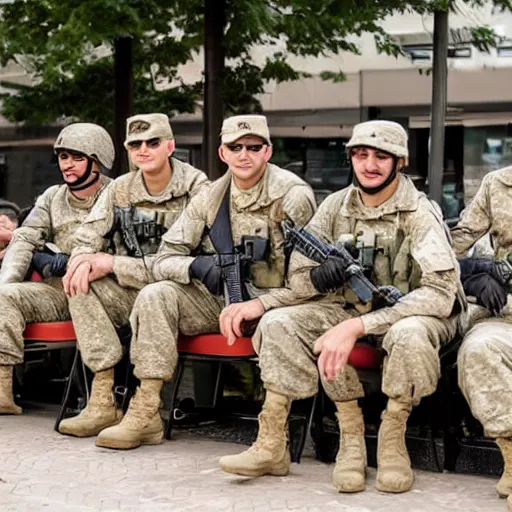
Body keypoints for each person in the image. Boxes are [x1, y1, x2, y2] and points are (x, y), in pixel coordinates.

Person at [219, 120, 465, 494]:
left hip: (417, 313)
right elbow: (299, 279)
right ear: (351, 158)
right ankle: (312, 437)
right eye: (361, 155)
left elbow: (440, 293)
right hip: (351, 308)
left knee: (409, 333)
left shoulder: (418, 211)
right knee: (280, 323)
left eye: (382, 156)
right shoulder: (334, 207)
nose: (370, 164)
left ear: (400, 162)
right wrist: (318, 278)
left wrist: (356, 328)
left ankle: (391, 436)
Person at [93, 114, 317, 450]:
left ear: (267, 151)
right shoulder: (211, 197)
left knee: (280, 321)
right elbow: (165, 258)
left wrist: (259, 304)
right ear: (222, 153)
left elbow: (309, 285)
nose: (244, 154)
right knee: (157, 294)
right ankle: (147, 409)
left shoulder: (292, 195)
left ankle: (273, 436)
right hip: (225, 299)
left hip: (277, 304)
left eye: (253, 147)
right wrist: (197, 267)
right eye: (234, 147)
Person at [57, 113, 208, 439]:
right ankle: (102, 400)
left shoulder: (198, 188)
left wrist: (112, 263)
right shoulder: (120, 189)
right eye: (135, 144)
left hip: (186, 293)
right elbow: (87, 236)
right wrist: (81, 261)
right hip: (137, 291)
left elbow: (180, 264)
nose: (144, 150)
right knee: (80, 283)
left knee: (157, 291)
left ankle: (146, 411)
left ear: (170, 146)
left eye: (152, 142)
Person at [0, 123, 114, 414]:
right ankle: (2, 391)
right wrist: (7, 284)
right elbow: (25, 238)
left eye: (77, 158)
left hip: (102, 289)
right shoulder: (52, 196)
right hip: (57, 291)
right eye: (64, 157)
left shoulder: (117, 194)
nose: (68, 165)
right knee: (4, 296)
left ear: (97, 160)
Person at [451, 165, 512, 499]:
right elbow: (453, 246)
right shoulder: (498, 183)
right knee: (478, 350)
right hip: (506, 314)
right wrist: (473, 274)